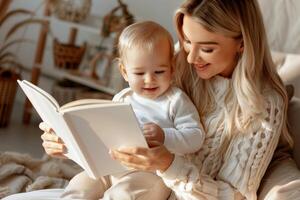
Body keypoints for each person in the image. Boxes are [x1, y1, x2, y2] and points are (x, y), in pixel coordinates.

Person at [4, 0, 300, 199]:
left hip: (172, 185)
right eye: (186, 41)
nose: (189, 57)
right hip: (126, 167)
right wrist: (68, 142)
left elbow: (232, 194)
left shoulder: (263, 103)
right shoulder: (177, 63)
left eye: (207, 49)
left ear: (242, 43)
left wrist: (169, 163)